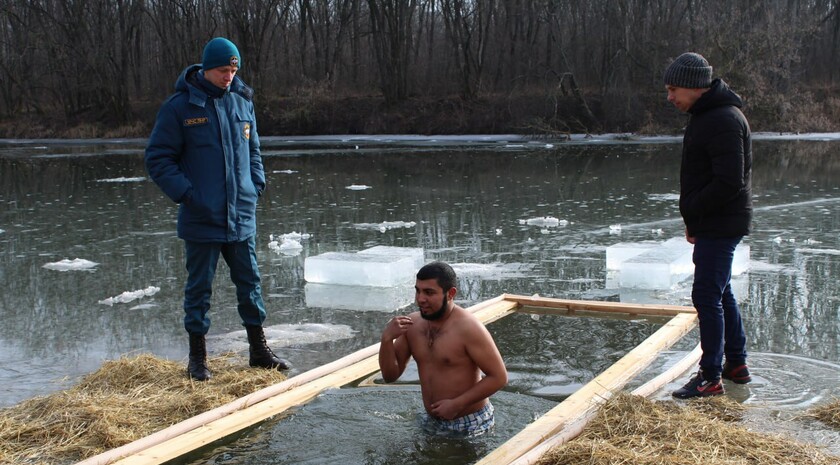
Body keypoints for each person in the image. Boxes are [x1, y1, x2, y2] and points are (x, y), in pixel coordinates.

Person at [145, 37, 289, 381]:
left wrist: (256, 185)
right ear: (207, 69)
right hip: (201, 217)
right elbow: (158, 158)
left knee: (250, 283)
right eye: (223, 70)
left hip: (241, 215)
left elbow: (254, 150)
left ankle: (258, 350)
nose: (229, 76)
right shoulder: (180, 107)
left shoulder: (242, 102)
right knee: (199, 290)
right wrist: (188, 194)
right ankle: (197, 359)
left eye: (234, 69)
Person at [664, 52, 753, 399]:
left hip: (722, 221)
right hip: (714, 221)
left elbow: (730, 181)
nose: (670, 97)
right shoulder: (706, 115)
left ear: (695, 86)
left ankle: (710, 376)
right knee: (721, 291)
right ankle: (737, 364)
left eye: (674, 89)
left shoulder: (722, 119)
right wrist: (694, 219)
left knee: (705, 294)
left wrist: (695, 211)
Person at [378, 261, 508, 436]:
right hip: (432, 420)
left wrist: (457, 404)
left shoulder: (469, 328)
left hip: (470, 422)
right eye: (418, 290)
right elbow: (389, 376)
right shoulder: (412, 325)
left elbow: (499, 377)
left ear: (450, 293)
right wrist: (386, 340)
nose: (420, 299)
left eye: (429, 292)